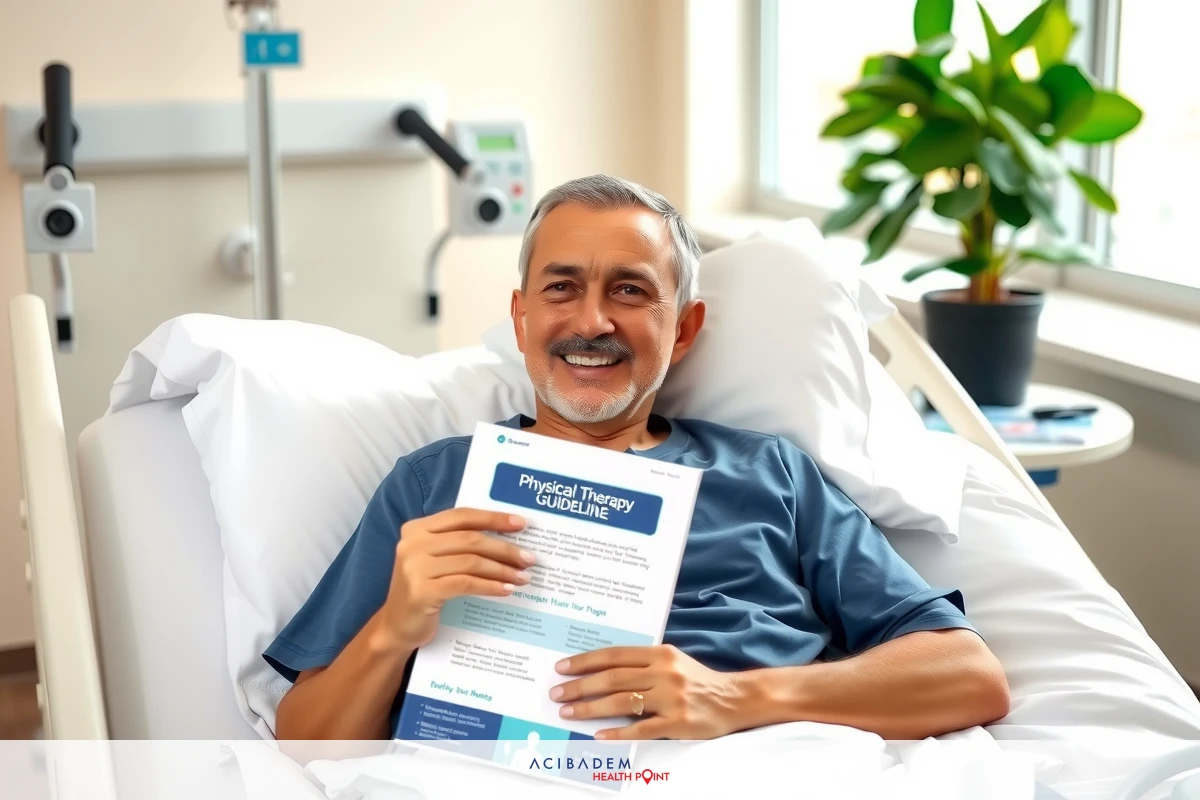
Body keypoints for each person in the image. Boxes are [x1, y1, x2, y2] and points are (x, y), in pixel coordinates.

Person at [266, 174, 1010, 742]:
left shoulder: (770, 475)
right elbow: (303, 740)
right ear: (522, 319)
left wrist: (737, 697)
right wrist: (393, 628)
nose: (592, 321)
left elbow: (969, 676)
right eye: (562, 287)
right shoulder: (436, 484)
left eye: (629, 291)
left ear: (682, 330)